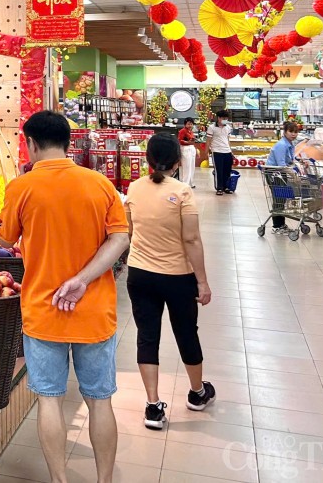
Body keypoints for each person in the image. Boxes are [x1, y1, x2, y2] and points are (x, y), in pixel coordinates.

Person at [0, 111, 130, 483]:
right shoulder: (99, 183)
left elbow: (5, 239)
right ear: (68, 143)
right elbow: (120, 238)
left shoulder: (22, 187)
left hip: (43, 310)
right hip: (94, 311)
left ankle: (59, 479)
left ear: (31, 144)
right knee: (100, 401)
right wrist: (83, 279)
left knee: (49, 400)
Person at [124, 133, 215, 430]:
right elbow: (191, 239)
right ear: (177, 161)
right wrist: (202, 282)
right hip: (178, 277)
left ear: (148, 159)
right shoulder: (182, 192)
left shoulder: (134, 188)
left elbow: (127, 231)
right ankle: (197, 393)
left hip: (140, 274)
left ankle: (153, 406)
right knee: (186, 333)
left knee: (147, 336)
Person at [265, 122, 301, 233]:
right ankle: (277, 226)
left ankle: (281, 224)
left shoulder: (290, 144)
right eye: (291, 131)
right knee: (278, 199)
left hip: (280, 173)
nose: (293, 134)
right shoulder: (281, 145)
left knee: (282, 198)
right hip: (274, 173)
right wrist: (292, 173)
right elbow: (281, 164)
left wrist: (300, 162)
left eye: (295, 132)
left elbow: (289, 160)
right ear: (285, 132)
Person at [207, 110, 234, 194]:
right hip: (217, 151)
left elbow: (227, 139)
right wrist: (206, 151)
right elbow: (208, 140)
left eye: (226, 118)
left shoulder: (228, 127)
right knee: (219, 170)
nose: (225, 120)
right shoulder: (212, 127)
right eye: (223, 118)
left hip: (227, 151)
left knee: (227, 170)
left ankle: (226, 187)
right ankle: (219, 188)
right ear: (218, 118)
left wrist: (231, 151)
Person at [177, 118, 197, 188]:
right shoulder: (182, 131)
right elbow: (180, 140)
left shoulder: (191, 131)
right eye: (188, 124)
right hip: (185, 149)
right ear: (185, 124)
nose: (190, 125)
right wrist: (188, 142)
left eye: (191, 124)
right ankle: (185, 184)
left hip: (191, 148)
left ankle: (191, 183)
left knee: (192, 167)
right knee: (186, 167)